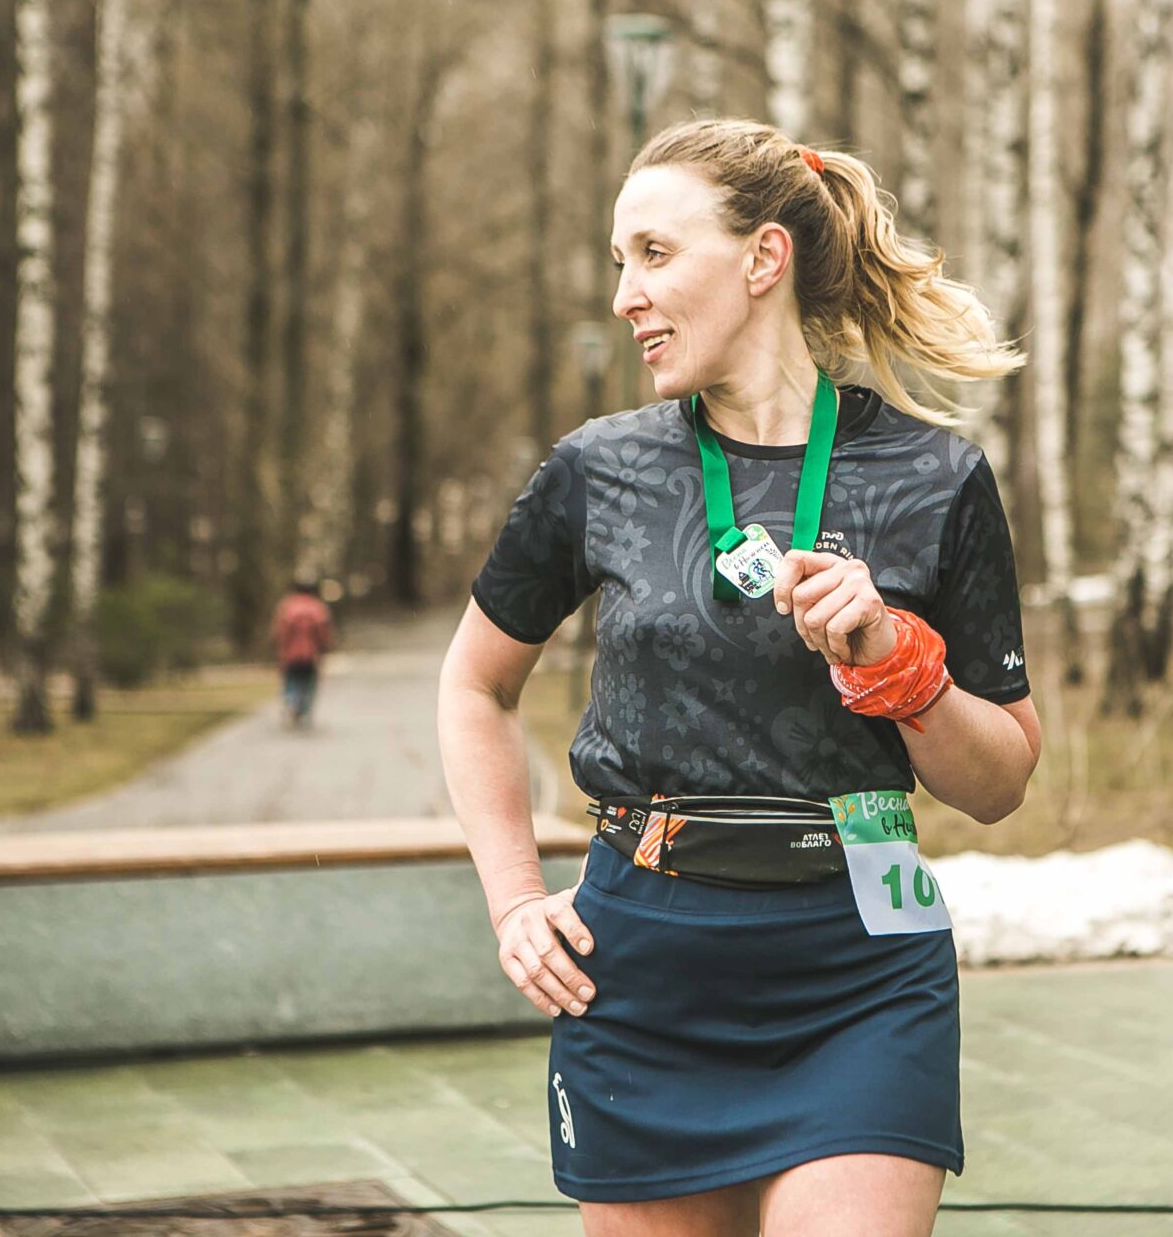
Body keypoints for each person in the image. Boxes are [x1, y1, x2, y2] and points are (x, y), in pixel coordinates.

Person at [438, 118, 1041, 1237]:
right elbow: (475, 685)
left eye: (655, 254)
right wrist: (515, 898)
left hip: (862, 967)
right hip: (641, 969)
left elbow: (1001, 780)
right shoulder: (598, 469)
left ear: (765, 258)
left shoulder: (936, 477)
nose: (624, 294)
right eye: (620, 259)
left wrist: (899, 665)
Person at [271, 578, 334, 728]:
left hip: (290, 653)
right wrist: (324, 648)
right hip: (311, 653)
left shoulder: (287, 606)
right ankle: (303, 709)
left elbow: (280, 631)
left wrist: (280, 648)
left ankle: (292, 702)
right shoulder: (318, 607)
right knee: (309, 682)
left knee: (291, 680)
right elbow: (323, 632)